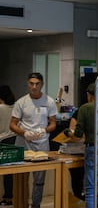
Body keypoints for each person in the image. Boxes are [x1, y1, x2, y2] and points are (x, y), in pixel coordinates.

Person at [63, 83, 98, 208]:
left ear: (89, 95)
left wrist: (68, 133)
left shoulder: (85, 108)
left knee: (91, 188)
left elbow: (77, 135)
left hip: (95, 149)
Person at [9, 73, 57, 208]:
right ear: (28, 84)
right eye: (31, 83)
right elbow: (12, 124)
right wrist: (25, 133)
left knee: (39, 178)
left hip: (41, 143)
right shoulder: (21, 102)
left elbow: (53, 123)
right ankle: (20, 204)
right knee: (21, 177)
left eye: (37, 84)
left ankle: (36, 205)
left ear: (42, 84)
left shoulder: (49, 101)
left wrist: (44, 130)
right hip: (23, 142)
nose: (34, 87)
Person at [0, 85, 16, 205]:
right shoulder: (15, 107)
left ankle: (6, 197)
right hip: (14, 140)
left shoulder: (1, 108)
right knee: (8, 171)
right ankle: (9, 197)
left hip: (2, 140)